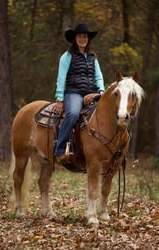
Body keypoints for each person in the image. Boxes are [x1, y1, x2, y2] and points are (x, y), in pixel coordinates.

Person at [53, 23, 105, 164]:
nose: (82, 39)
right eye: (80, 36)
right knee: (74, 114)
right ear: (75, 38)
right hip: (73, 93)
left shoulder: (93, 57)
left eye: (85, 36)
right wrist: (59, 98)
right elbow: (61, 77)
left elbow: (98, 77)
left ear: (88, 39)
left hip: (90, 93)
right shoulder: (67, 56)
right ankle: (60, 148)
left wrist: (101, 90)